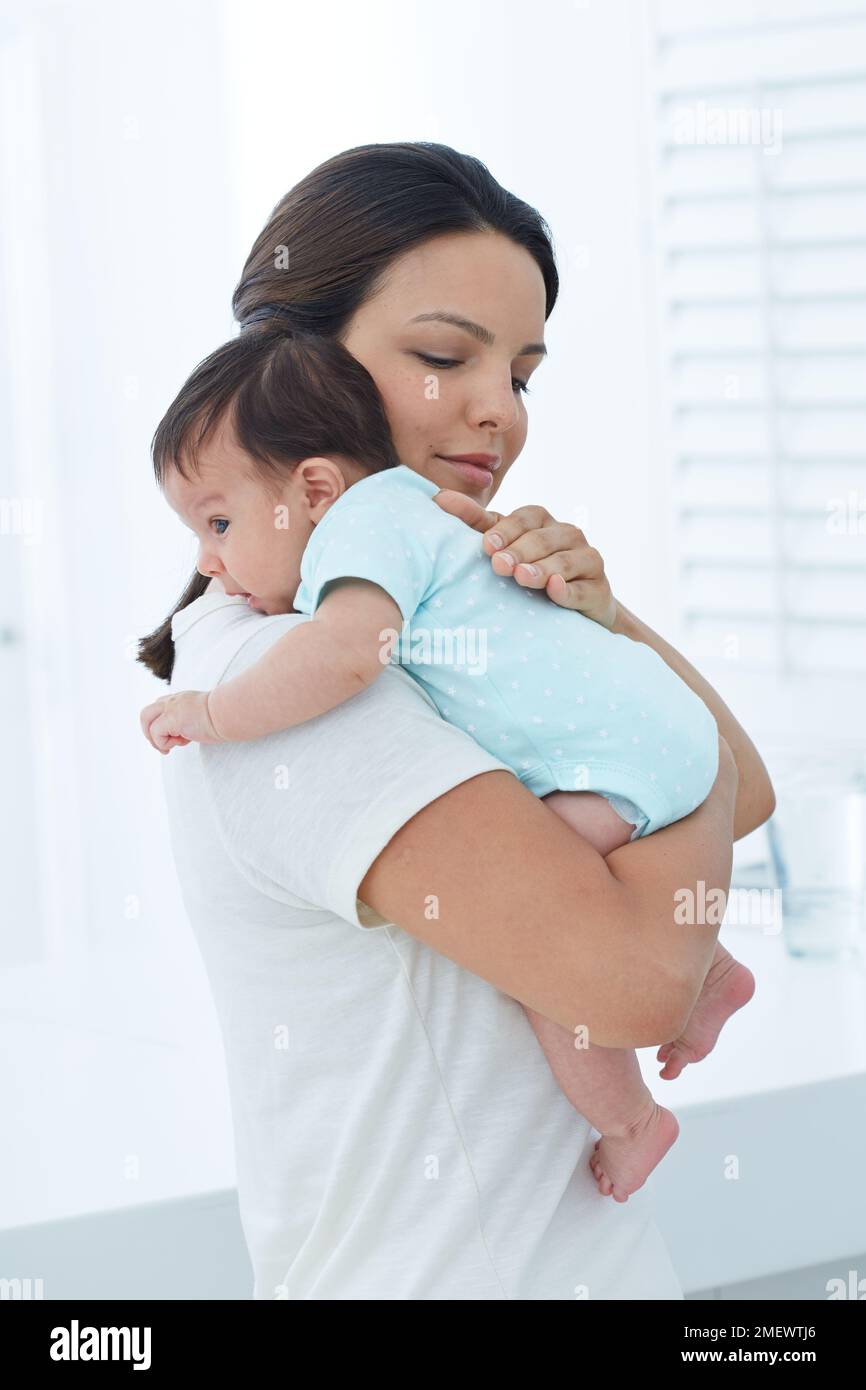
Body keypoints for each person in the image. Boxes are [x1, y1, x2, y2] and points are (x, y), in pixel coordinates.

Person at [137, 141, 774, 1298]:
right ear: (292, 367)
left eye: (522, 372)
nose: (497, 412)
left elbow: (743, 791)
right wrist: (652, 727)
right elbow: (636, 979)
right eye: (442, 355)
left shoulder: (419, 610)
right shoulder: (298, 676)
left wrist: (602, 615)